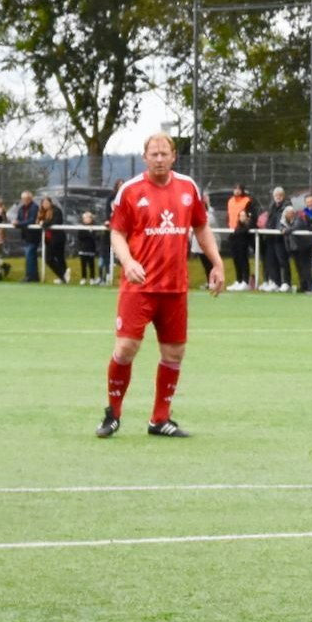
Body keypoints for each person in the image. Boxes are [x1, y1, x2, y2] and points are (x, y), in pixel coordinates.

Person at [96, 132, 224, 440]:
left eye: (164, 153)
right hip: (138, 287)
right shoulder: (130, 190)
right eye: (153, 153)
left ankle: (160, 419)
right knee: (126, 348)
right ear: (144, 157)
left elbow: (201, 227)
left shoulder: (187, 188)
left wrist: (216, 263)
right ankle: (113, 412)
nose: (159, 158)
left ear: (173, 156)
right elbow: (117, 234)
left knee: (174, 353)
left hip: (174, 287)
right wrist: (128, 262)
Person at [225, 184, 253, 290]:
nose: (236, 191)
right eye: (235, 188)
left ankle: (245, 281)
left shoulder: (247, 200)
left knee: (243, 258)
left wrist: (245, 227)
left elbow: (250, 216)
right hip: (233, 232)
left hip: (242, 232)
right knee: (235, 258)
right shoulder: (230, 201)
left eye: (238, 189)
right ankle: (238, 280)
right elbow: (229, 215)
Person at [36, 196, 68, 283]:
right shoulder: (42, 212)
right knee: (48, 259)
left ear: (50, 202)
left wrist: (45, 223)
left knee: (59, 257)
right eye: (43, 203)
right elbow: (38, 221)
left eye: (47, 202)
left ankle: (64, 275)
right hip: (48, 239)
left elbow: (57, 221)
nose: (45, 205)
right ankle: (63, 275)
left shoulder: (56, 211)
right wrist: (41, 222)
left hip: (57, 238)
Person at [15, 190, 40, 282]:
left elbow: (31, 220)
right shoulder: (21, 208)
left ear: (31, 198)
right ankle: (35, 277)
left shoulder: (34, 207)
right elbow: (19, 219)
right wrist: (17, 222)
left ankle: (29, 276)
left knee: (29, 255)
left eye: (27, 199)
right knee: (31, 256)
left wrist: (18, 224)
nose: (25, 200)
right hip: (25, 236)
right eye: (23, 199)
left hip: (33, 236)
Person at [73, 210, 101, 283]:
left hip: (91, 249)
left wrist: (91, 233)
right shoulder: (81, 228)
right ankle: (83, 278)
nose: (86, 219)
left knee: (91, 264)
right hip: (83, 248)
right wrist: (89, 233)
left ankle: (92, 278)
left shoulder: (94, 227)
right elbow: (81, 236)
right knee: (83, 264)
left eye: (88, 218)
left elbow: (96, 237)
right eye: (85, 218)